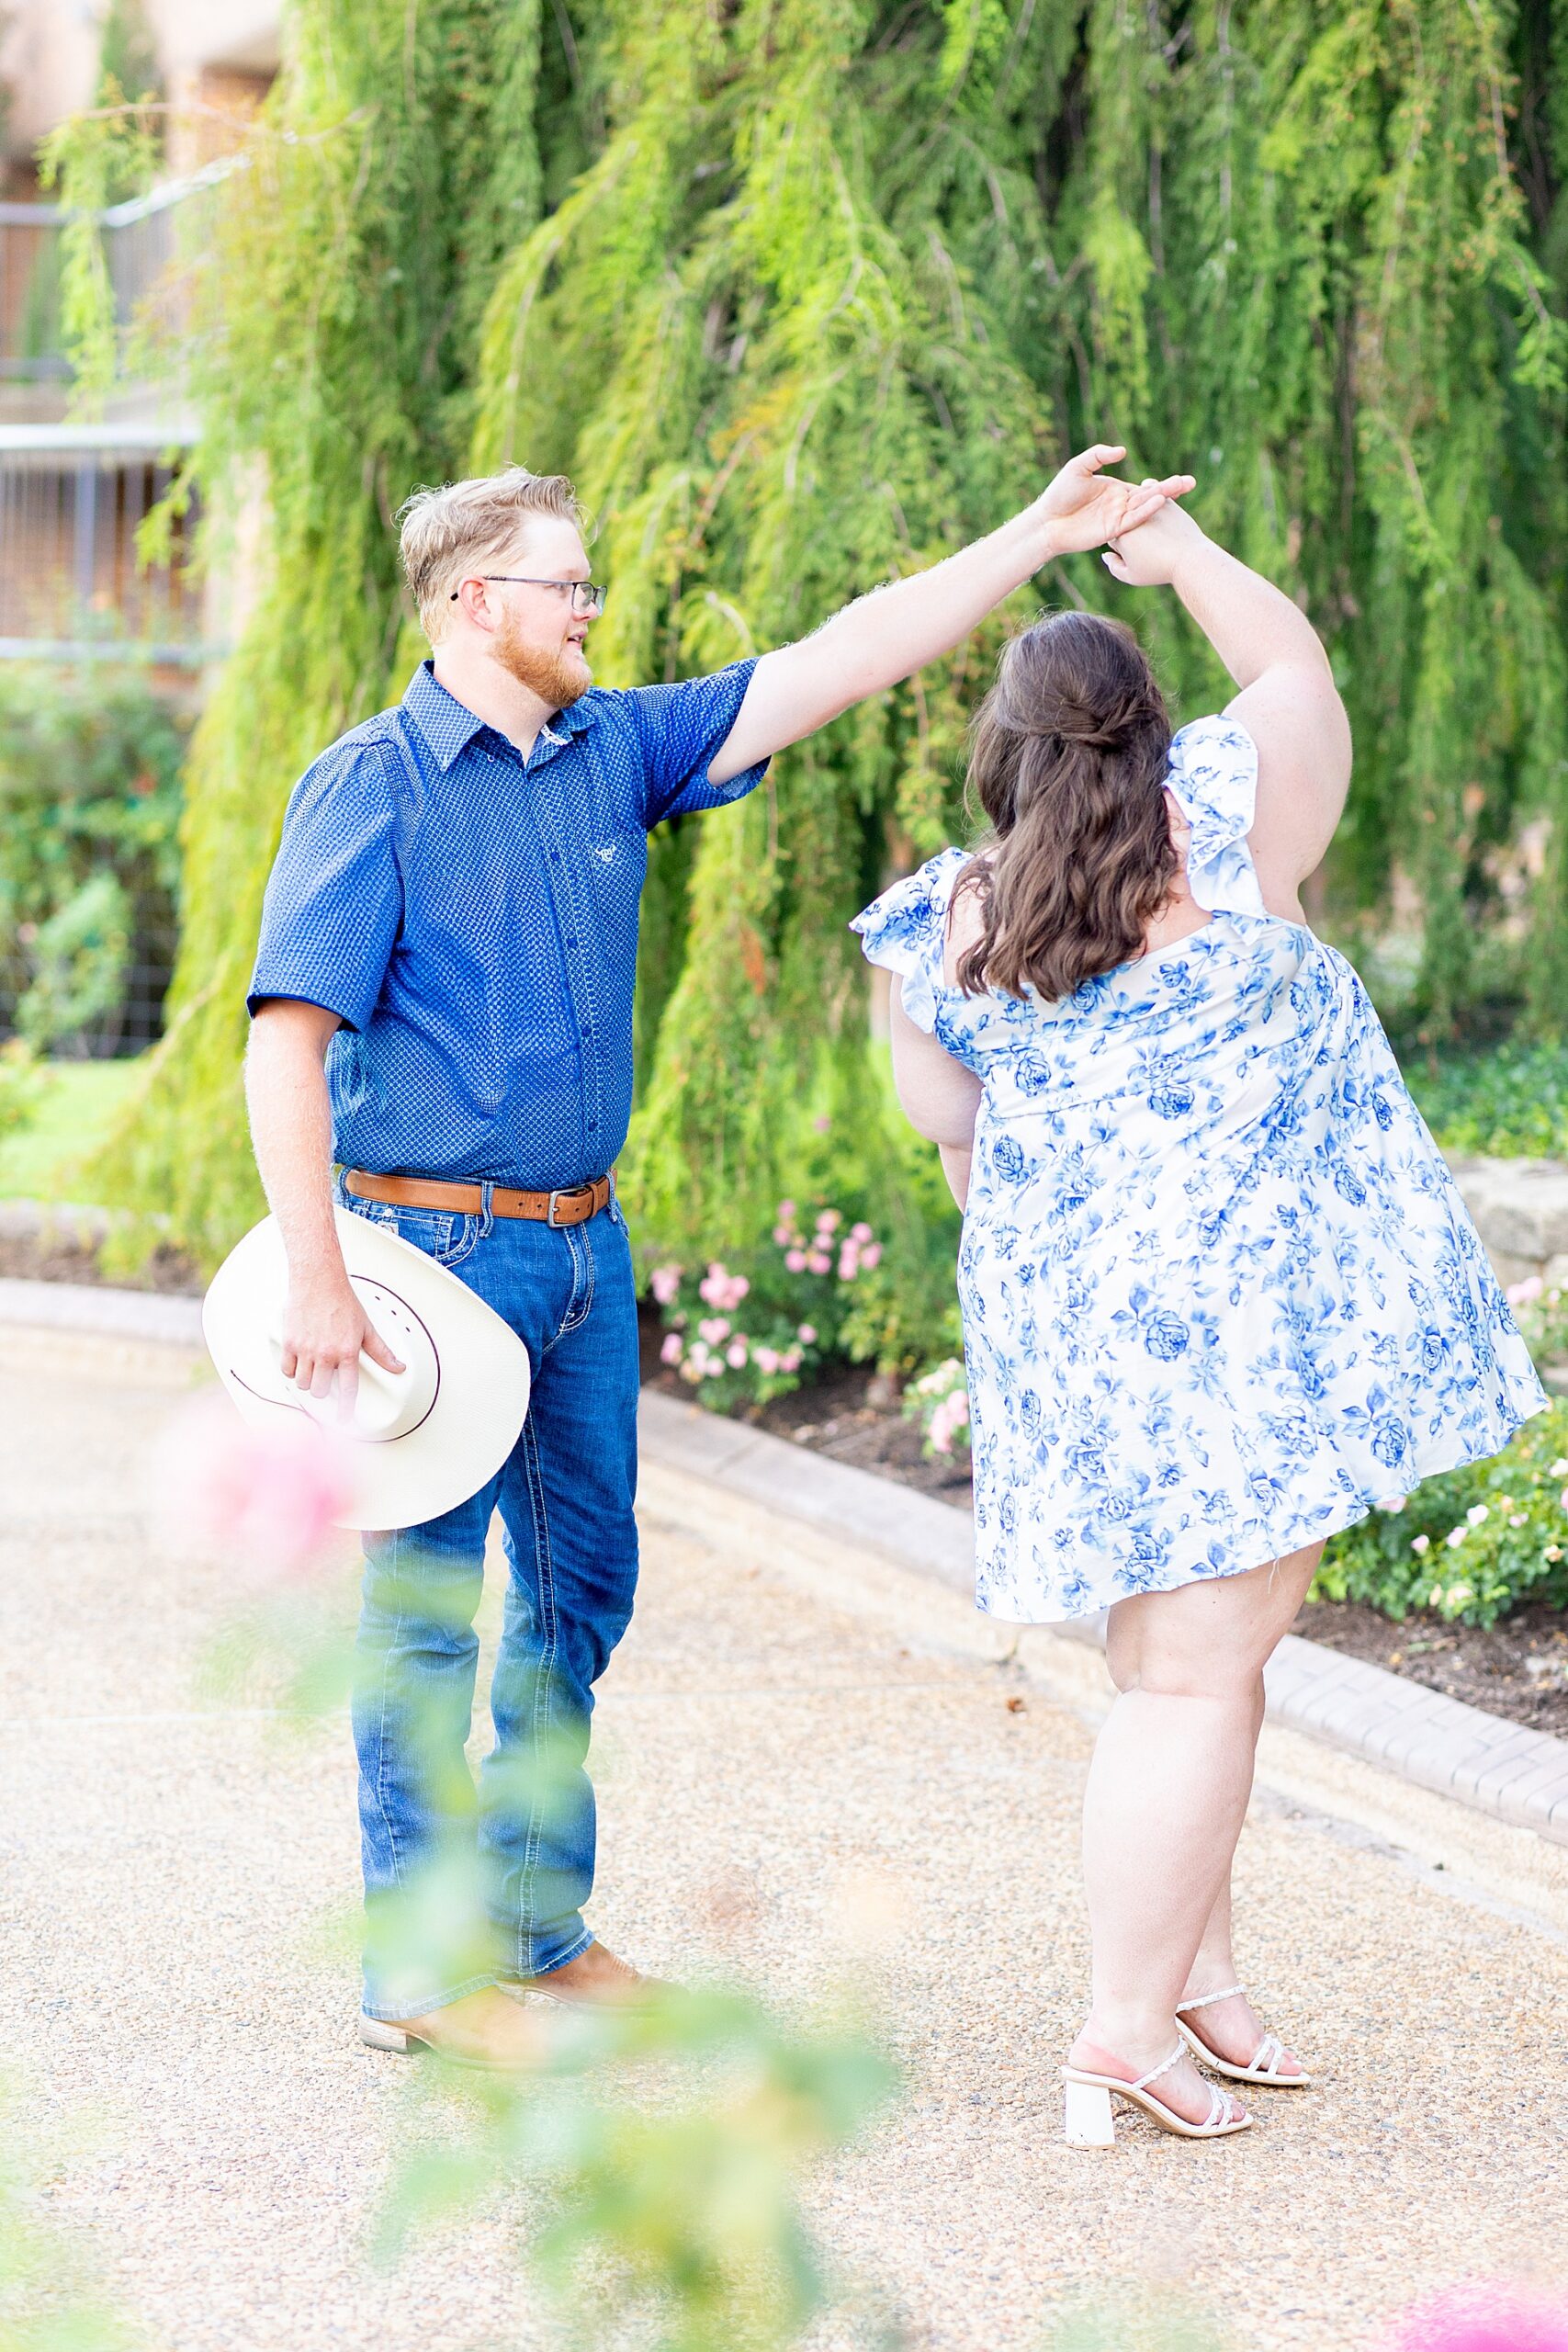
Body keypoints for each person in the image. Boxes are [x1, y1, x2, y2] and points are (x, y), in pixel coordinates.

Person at [243, 447, 1194, 2070]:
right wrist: (320, 1274)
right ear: (479, 601)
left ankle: (537, 1936)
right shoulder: (372, 784)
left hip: (583, 1258)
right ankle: (415, 1973)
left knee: (579, 1598)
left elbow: (846, 653)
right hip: (422, 1260)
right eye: (570, 582)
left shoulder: (617, 749)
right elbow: (286, 1038)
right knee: (417, 1618)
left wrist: (1032, 537)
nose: (595, 606)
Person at [853, 492, 1546, 2143]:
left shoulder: (944, 920)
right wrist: (1169, 547)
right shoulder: (1234, 822)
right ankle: (1117, 2030)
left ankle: (1193, 1984)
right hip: (1249, 1330)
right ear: (1153, 729)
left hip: (1084, 1342)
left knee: (1181, 1667)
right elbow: (1292, 660)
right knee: (1193, 1675)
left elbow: (946, 1129)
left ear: (1000, 760)